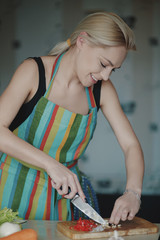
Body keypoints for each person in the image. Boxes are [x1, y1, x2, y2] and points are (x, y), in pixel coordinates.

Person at [0, 12, 144, 224]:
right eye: (104, 64)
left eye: (114, 70)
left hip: (60, 204)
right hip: (8, 192)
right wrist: (51, 165)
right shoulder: (34, 72)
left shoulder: (101, 90)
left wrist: (133, 192)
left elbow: (131, 145)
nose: (106, 76)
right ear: (82, 42)